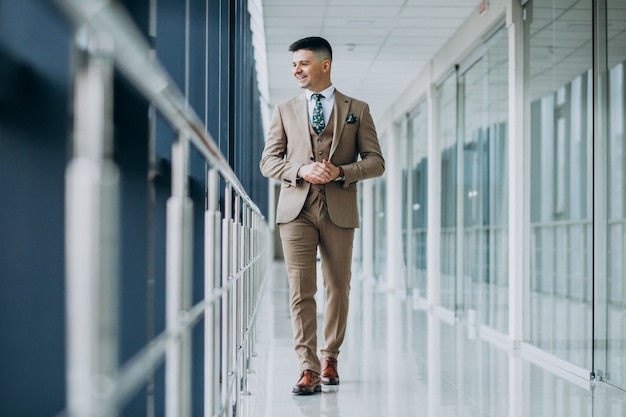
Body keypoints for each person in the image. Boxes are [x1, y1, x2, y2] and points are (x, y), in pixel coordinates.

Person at [259, 36, 385, 395]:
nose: (296, 70)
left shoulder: (357, 109)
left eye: (302, 63)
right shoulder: (284, 109)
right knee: (301, 290)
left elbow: (376, 162)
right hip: (295, 209)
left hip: (339, 208)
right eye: (294, 65)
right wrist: (301, 170)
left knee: (337, 287)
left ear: (324, 65)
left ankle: (330, 356)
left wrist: (342, 172)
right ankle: (307, 367)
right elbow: (268, 161)